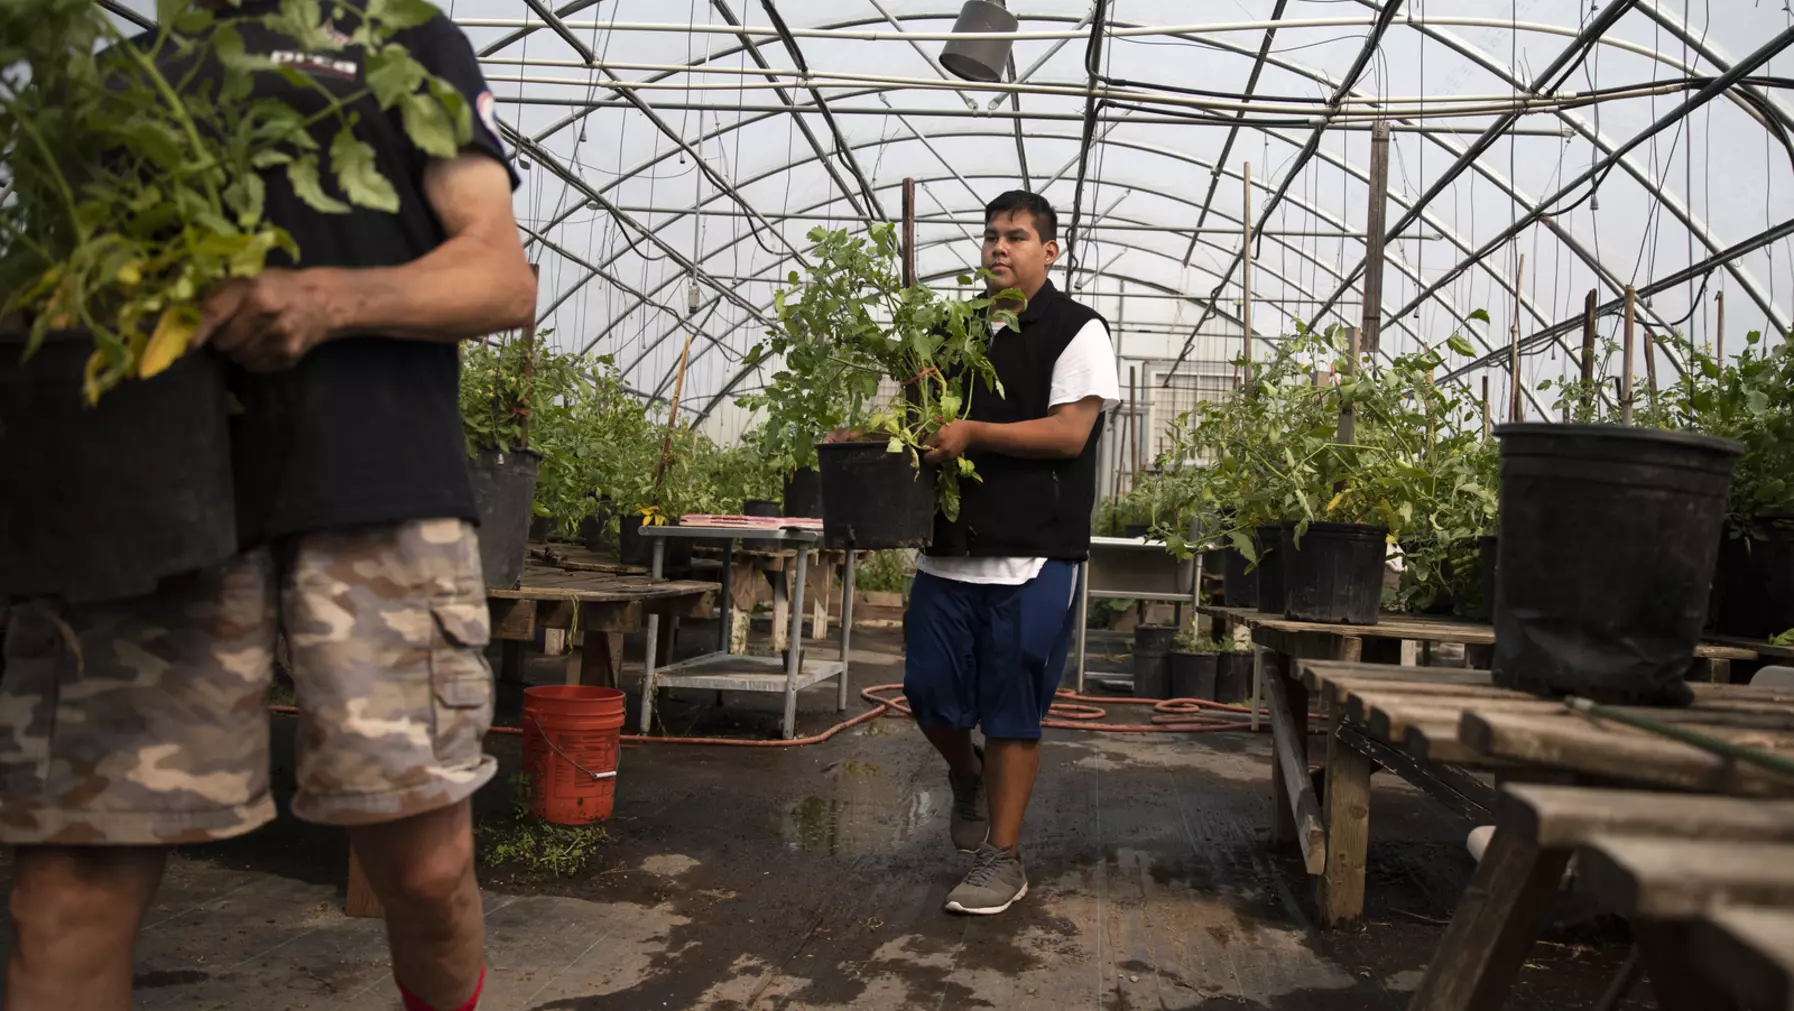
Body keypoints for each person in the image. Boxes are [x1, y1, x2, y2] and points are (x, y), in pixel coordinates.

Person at [0, 5, 535, 1010]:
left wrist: (323, 299)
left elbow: (500, 277)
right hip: (138, 514)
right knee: (67, 891)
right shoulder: (121, 81)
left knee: (421, 873)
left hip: (373, 489)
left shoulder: (405, 50)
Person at [907, 191, 1120, 916]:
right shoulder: (951, 331)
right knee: (928, 691)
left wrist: (972, 432)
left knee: (1011, 707)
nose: (1000, 247)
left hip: (1033, 555)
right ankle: (964, 775)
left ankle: (1002, 855)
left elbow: (1069, 434)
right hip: (950, 550)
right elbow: (922, 422)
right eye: (992, 235)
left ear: (1049, 250)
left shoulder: (1076, 329)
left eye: (1018, 237)